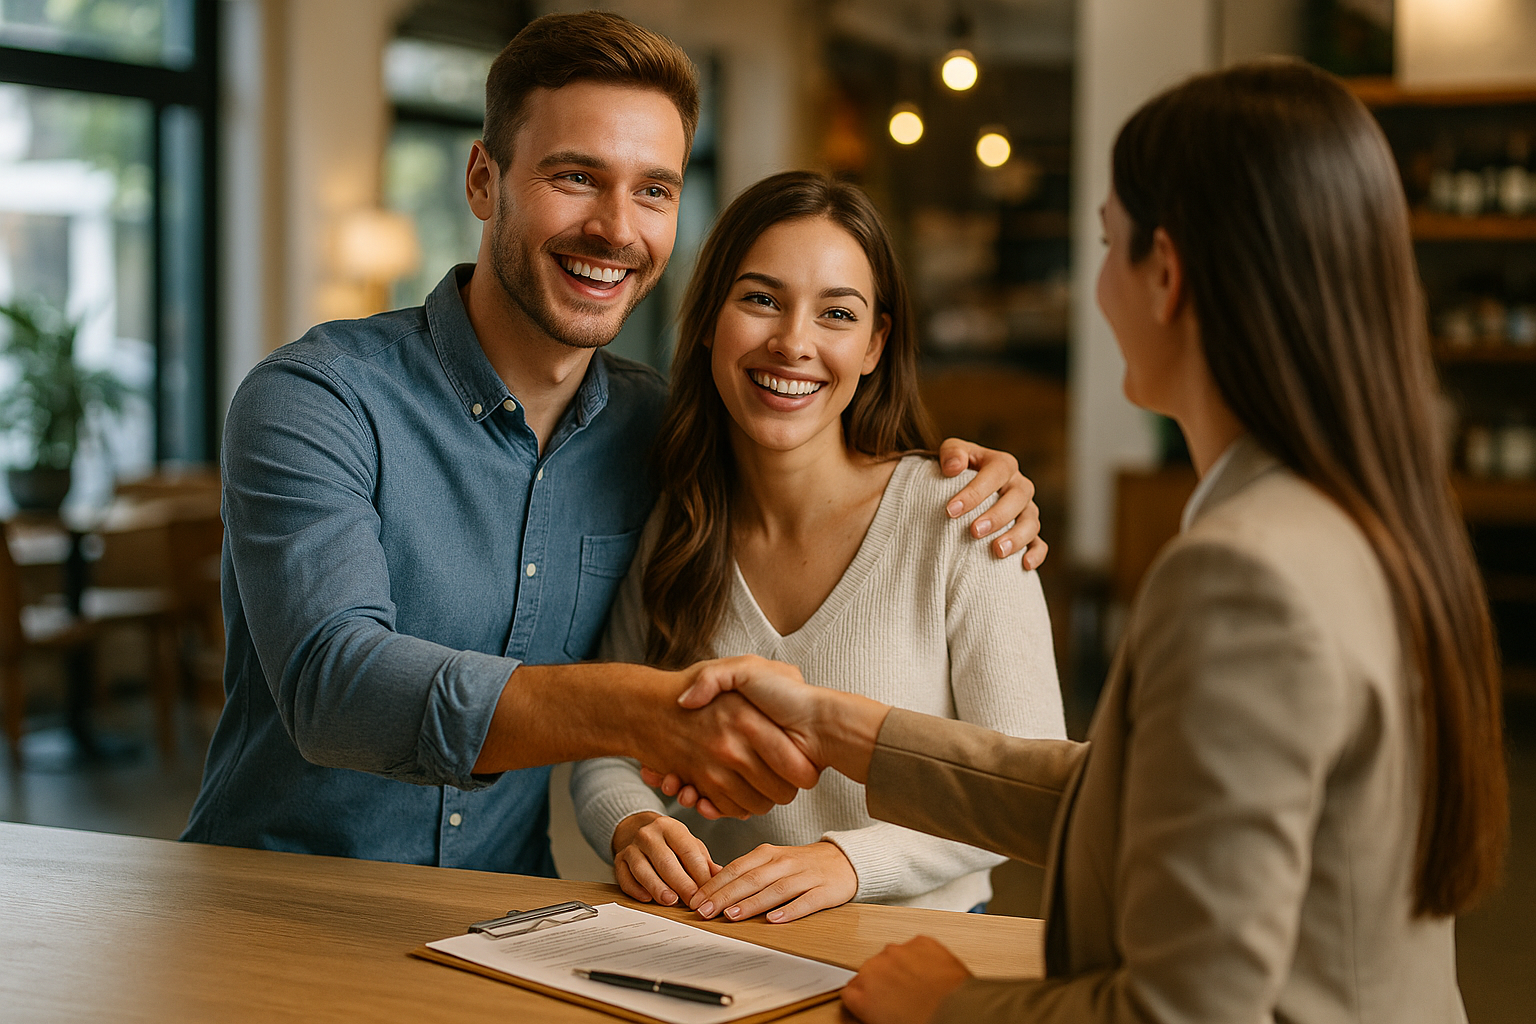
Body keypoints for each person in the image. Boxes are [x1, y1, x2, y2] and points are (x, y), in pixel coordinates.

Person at [652, 60, 1509, 1024]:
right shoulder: (1344, 523)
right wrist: (830, 722)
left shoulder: (1245, 573)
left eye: (1107, 244)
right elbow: (1129, 799)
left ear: (1167, 273)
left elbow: (1185, 1010)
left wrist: (952, 1006)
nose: (1097, 287)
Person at [180, 11, 1045, 876]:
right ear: (484, 180)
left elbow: (805, 441)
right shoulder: (317, 397)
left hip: (499, 919)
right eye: (576, 176)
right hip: (279, 901)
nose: (616, 228)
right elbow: (334, 688)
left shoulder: (656, 433)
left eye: (655, 190)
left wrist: (973, 477)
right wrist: (632, 711)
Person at [570, 172, 1066, 923]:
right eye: (762, 299)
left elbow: (1032, 791)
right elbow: (605, 740)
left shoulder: (963, 518)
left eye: (837, 313)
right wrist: (632, 824)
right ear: (708, 319)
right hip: (720, 947)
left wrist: (849, 863)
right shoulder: (675, 522)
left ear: (874, 346)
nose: (793, 343)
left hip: (923, 950)